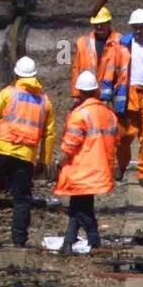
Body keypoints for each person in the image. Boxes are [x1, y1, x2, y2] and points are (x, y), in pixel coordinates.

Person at [0, 56, 56, 247]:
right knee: (21, 198)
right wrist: (44, 161)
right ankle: (19, 240)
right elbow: (49, 135)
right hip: (25, 157)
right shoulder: (44, 102)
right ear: (34, 76)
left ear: (17, 74)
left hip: (1, 151)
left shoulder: (8, 94)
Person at [54, 70, 119, 254]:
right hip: (100, 168)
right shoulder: (109, 114)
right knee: (80, 206)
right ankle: (75, 241)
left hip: (83, 168)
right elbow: (117, 140)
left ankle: (87, 240)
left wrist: (60, 160)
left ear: (80, 92)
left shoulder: (80, 115)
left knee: (79, 207)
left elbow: (71, 143)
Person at [111, 8, 143, 185]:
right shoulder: (122, 45)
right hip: (128, 94)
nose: (138, 30)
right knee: (124, 136)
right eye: (135, 27)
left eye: (141, 27)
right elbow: (112, 69)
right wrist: (107, 90)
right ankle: (121, 166)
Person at [71, 6, 122, 103]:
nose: (99, 27)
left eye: (102, 24)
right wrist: (75, 94)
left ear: (109, 23)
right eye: (96, 24)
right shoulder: (83, 42)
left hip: (112, 94)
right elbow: (76, 69)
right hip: (88, 92)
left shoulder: (120, 41)